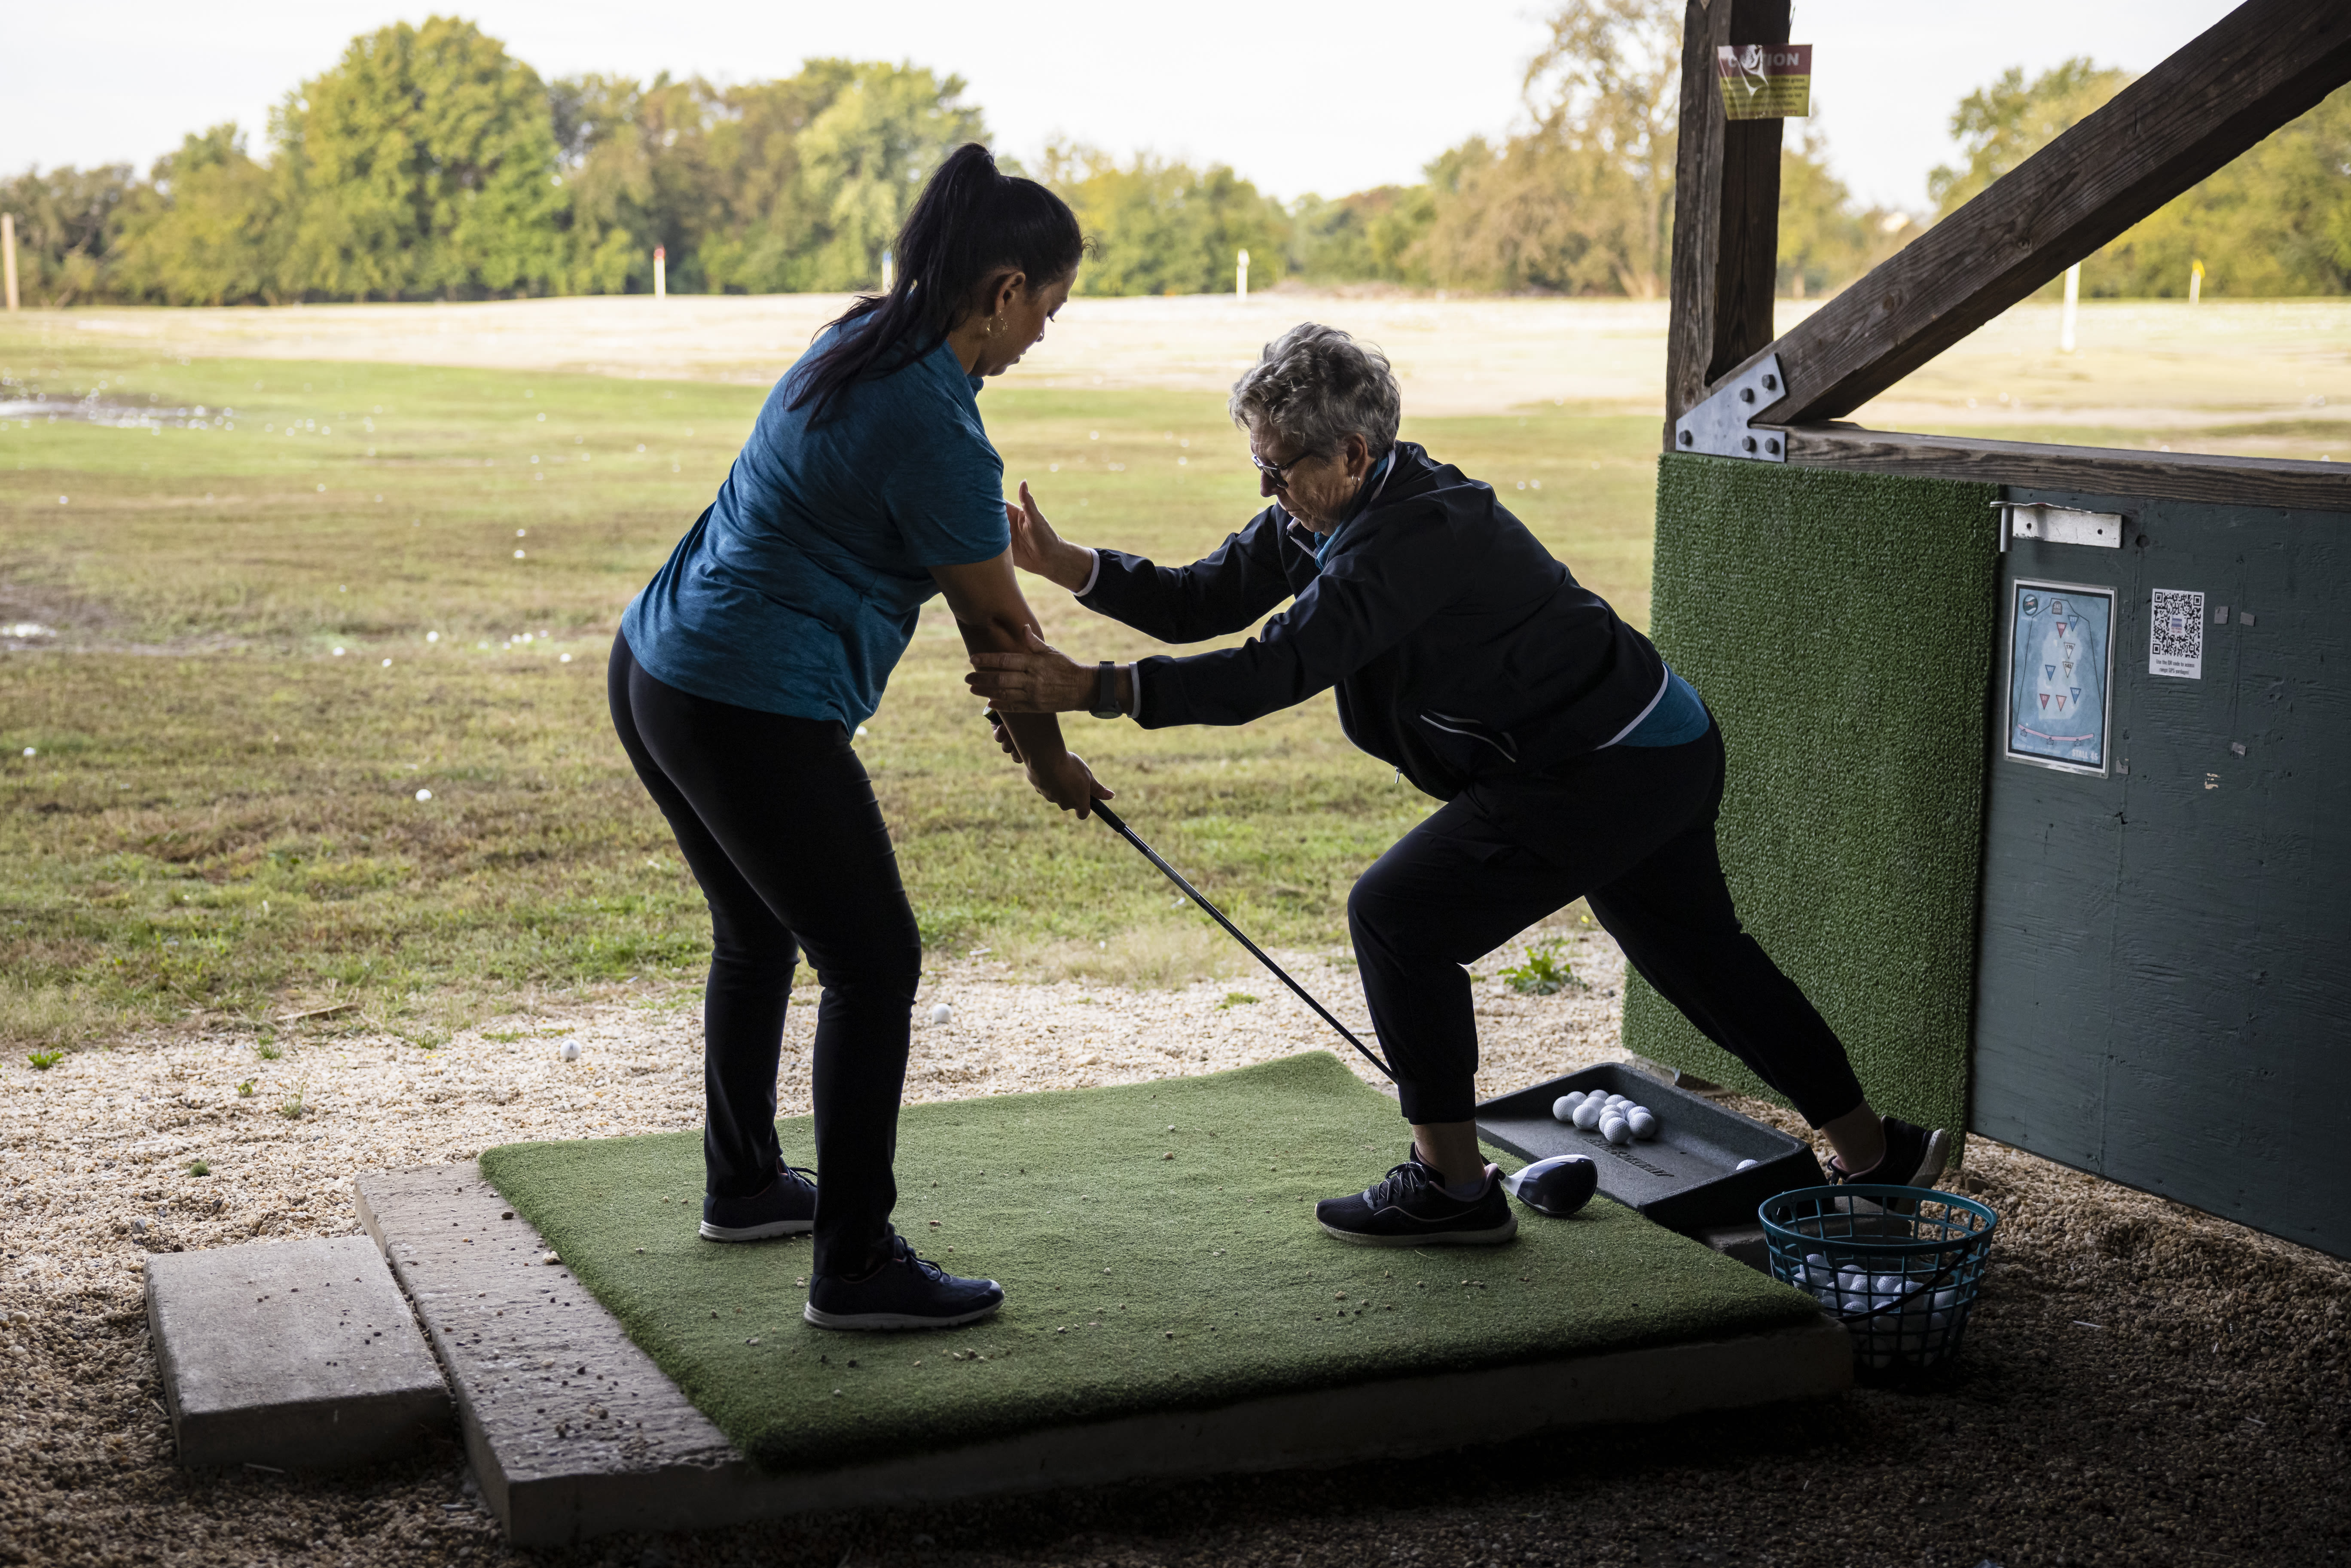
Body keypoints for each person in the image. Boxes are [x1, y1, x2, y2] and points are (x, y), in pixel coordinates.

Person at [966, 323, 1950, 1248]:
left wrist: (1090, 690)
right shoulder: (1331, 507)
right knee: (1703, 963)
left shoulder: (1416, 534)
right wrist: (1063, 565)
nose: (1267, 488)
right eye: (1259, 464)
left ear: (1352, 454)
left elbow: (1274, 668)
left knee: (1400, 915)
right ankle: (1881, 1157)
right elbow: (1202, 600)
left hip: (1610, 763)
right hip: (1652, 740)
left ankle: (1454, 1187)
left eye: (1280, 468)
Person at [608, 144, 1108, 1328]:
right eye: (1051, 306)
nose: (1048, 332)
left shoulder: (861, 335)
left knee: (757, 930)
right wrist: (1054, 765)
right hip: (744, 704)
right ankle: (856, 1265)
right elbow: (1002, 633)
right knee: (874, 962)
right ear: (1002, 293)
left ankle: (743, 1187)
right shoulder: (936, 427)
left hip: (656, 668)